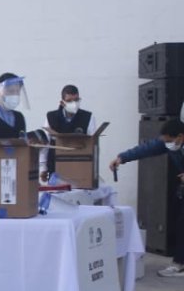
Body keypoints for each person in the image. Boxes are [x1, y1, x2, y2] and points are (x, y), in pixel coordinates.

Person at [110, 119, 184, 277]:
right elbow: (147, 148)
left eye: (170, 141)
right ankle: (180, 263)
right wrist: (122, 158)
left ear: (180, 137)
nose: (167, 144)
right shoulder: (168, 142)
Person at [43, 84, 98, 178]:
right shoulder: (51, 117)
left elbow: (93, 145)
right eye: (69, 101)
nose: (73, 103)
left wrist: (94, 169)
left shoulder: (87, 117)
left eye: (76, 100)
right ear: (62, 102)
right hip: (56, 167)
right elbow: (45, 144)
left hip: (80, 166)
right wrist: (43, 168)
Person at [0, 72, 28, 139]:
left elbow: (23, 142)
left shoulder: (19, 117)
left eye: (17, 92)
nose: (15, 95)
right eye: (10, 91)